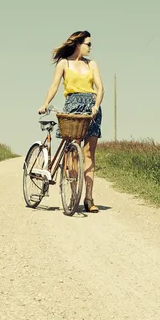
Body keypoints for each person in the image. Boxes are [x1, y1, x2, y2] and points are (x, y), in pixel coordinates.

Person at [38, 30, 103, 213]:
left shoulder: (92, 64)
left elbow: (100, 87)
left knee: (89, 153)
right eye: (88, 44)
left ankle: (89, 198)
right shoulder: (63, 64)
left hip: (92, 109)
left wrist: (96, 105)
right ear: (78, 44)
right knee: (73, 153)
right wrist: (45, 104)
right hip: (72, 106)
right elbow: (54, 85)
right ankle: (74, 193)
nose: (90, 47)